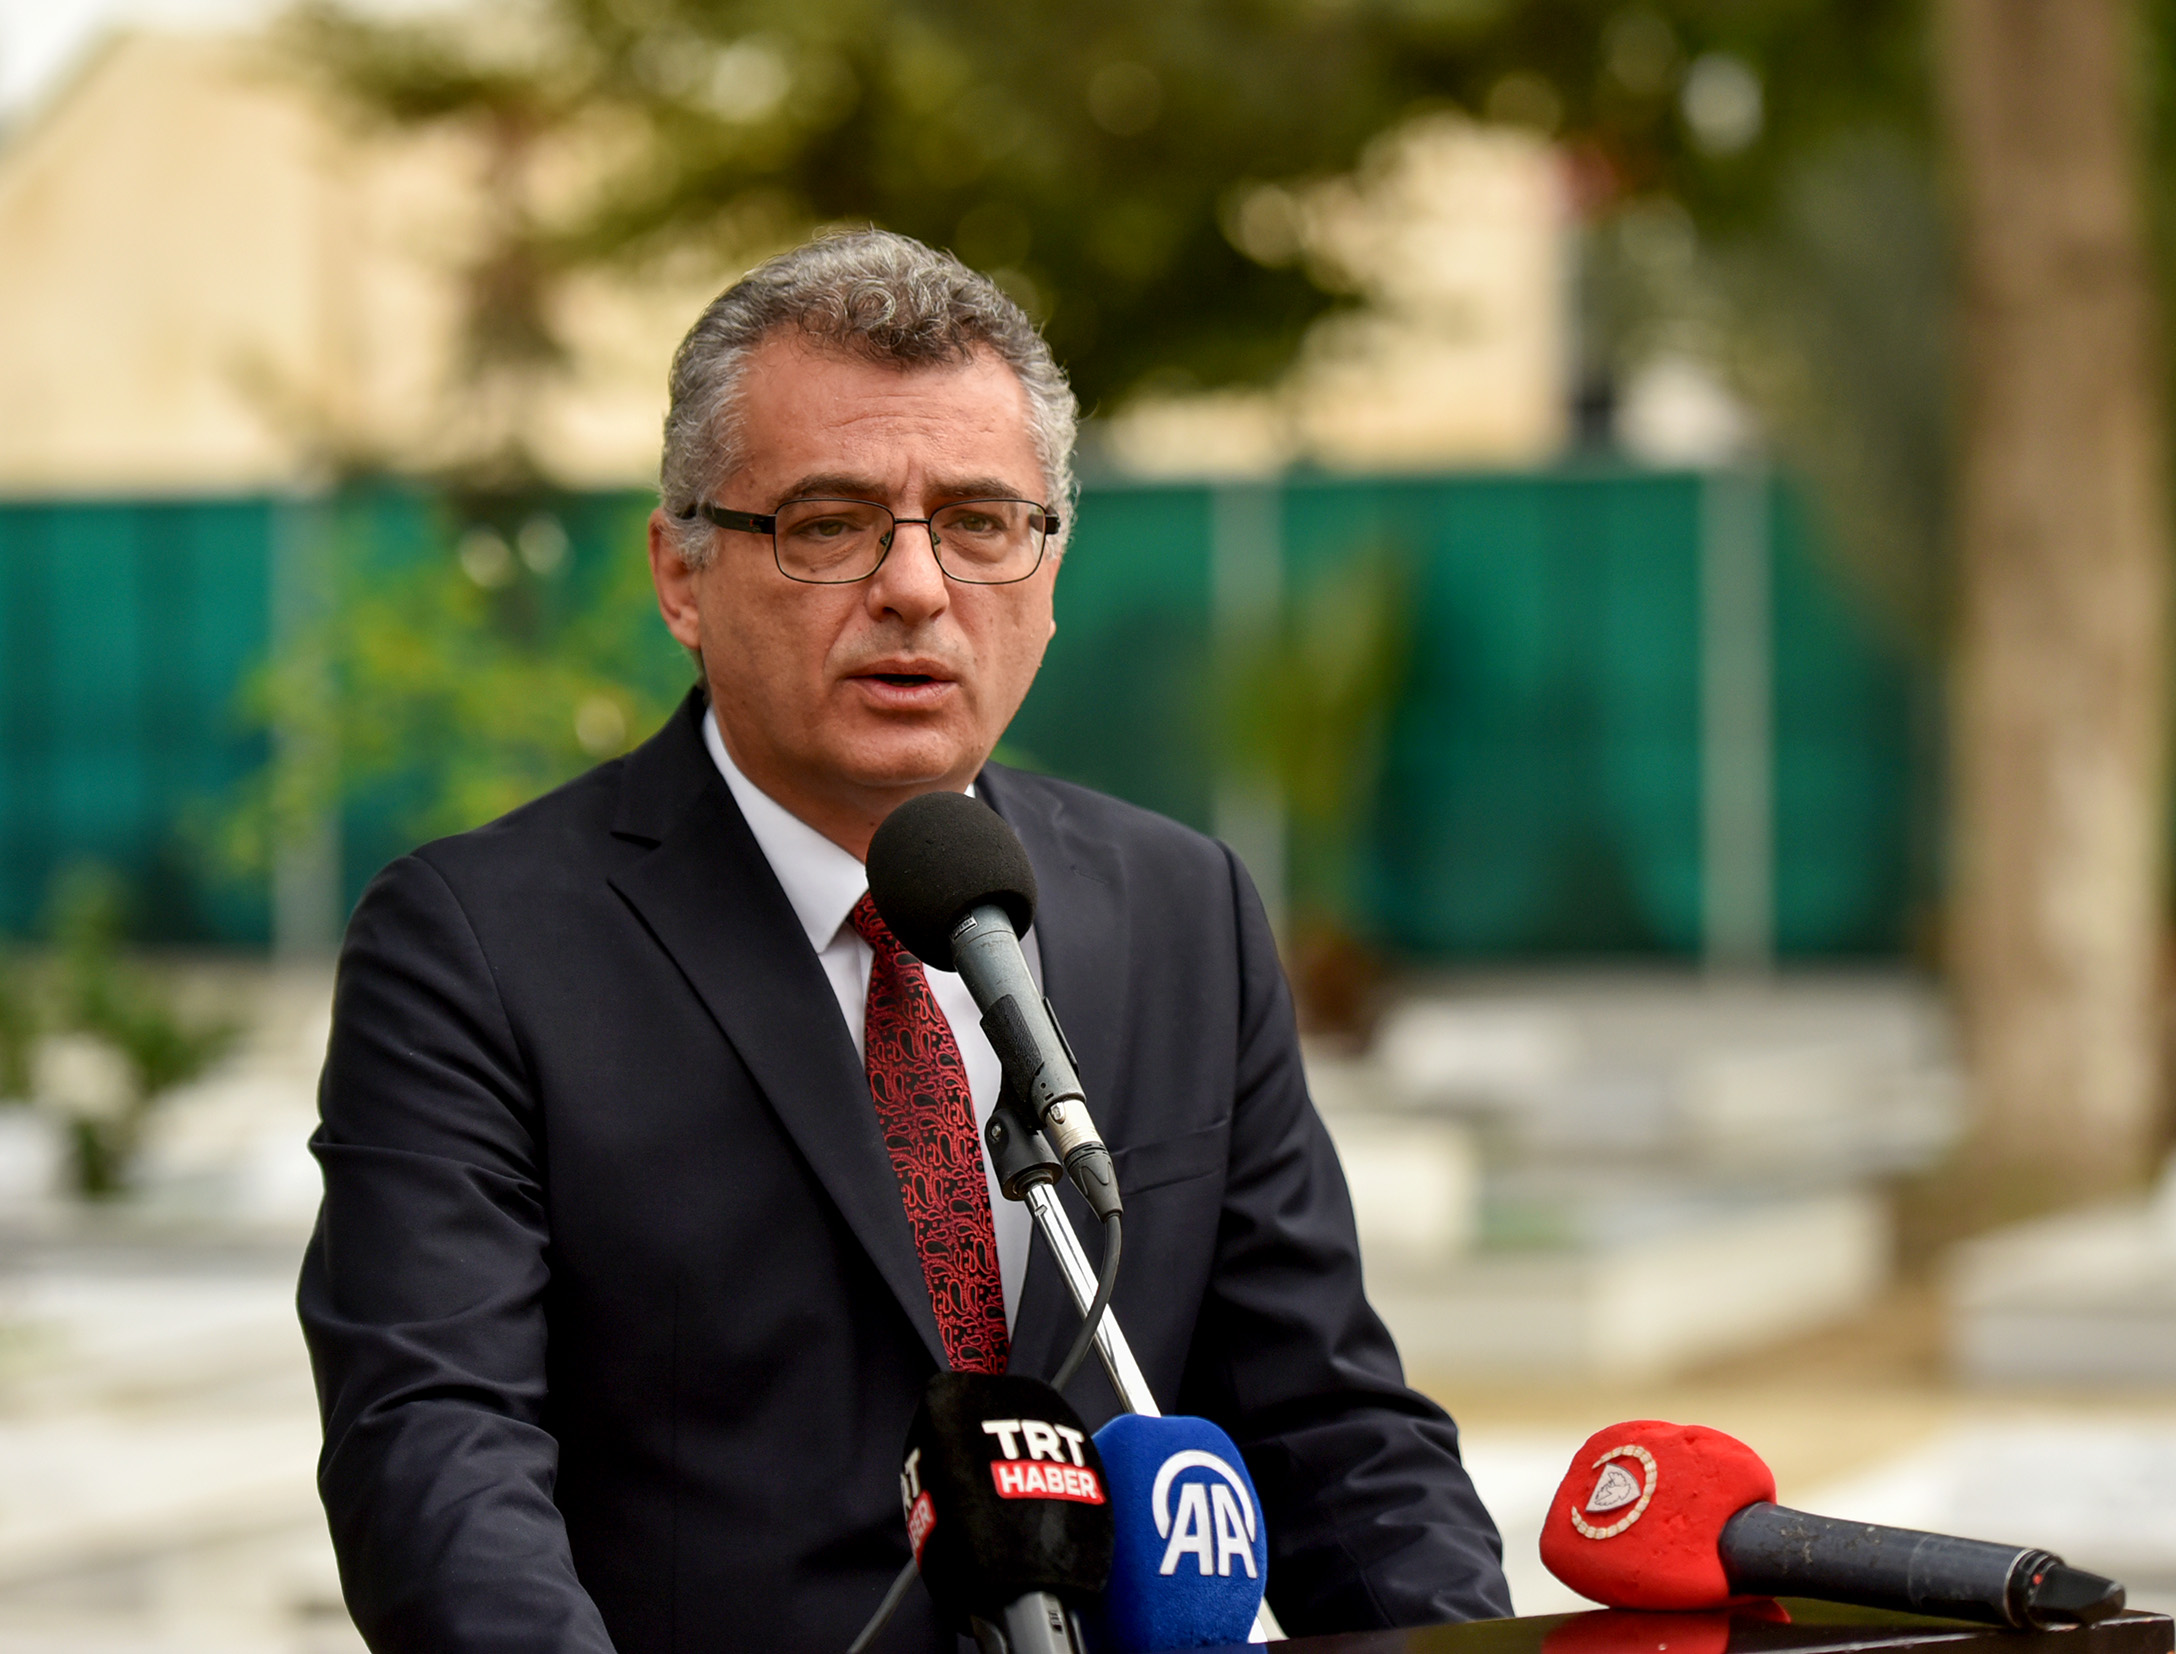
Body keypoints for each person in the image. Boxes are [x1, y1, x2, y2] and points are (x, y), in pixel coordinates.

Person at [299, 228, 1511, 1654]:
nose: (919, 589)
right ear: (682, 575)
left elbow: (1337, 1437)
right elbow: (435, 1457)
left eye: (982, 522)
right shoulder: (477, 947)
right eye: (829, 524)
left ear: (1048, 572)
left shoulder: (1183, 911)